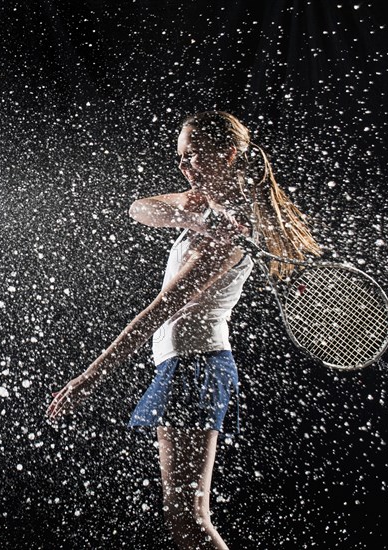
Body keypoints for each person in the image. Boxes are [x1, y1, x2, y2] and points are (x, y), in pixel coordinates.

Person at [48, 111, 320, 549]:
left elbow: (161, 310)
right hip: (186, 365)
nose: (183, 166)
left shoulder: (234, 231)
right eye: (179, 156)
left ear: (228, 155)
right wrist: (189, 217)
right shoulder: (205, 209)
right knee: (182, 519)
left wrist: (89, 377)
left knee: (190, 520)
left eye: (192, 155)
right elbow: (139, 208)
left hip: (195, 366)